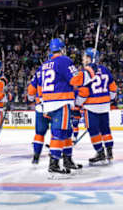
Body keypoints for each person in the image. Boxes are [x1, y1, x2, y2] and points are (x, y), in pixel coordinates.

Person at [40, 38, 95, 177]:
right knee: (59, 132)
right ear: (62, 49)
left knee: (66, 131)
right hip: (60, 101)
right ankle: (54, 164)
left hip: (49, 102)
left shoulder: (45, 64)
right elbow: (76, 80)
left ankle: (67, 159)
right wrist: (88, 72)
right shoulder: (64, 60)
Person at [76, 48, 117, 165]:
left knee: (93, 131)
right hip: (104, 106)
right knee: (105, 130)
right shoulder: (105, 70)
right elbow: (113, 89)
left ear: (90, 58)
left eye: (84, 56)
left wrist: (78, 104)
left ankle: (100, 152)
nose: (82, 59)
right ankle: (109, 151)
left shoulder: (86, 72)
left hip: (91, 107)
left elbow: (84, 93)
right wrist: (111, 99)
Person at [27, 54, 51, 164]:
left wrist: (31, 98)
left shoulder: (39, 71)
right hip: (55, 105)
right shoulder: (60, 66)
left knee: (39, 133)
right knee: (57, 132)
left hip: (41, 106)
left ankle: (36, 157)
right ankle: (56, 155)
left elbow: (31, 90)